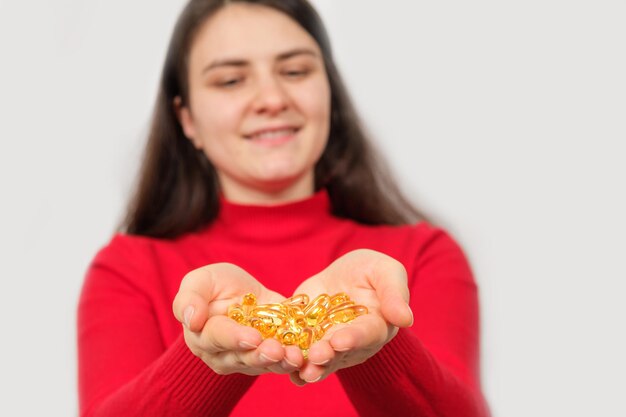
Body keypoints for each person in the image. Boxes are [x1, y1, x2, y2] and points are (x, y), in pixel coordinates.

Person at [77, 0, 490, 416]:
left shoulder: (422, 256)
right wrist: (207, 357)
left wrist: (378, 345)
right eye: (231, 80)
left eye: (295, 71)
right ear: (187, 120)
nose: (272, 98)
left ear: (329, 92)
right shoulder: (127, 269)